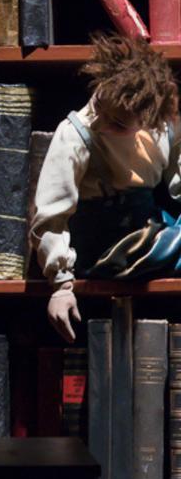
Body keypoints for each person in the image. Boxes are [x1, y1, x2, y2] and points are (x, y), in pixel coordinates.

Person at [31, 33, 181, 343]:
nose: (100, 122)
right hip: (107, 247)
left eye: (118, 124)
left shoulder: (164, 125)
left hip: (149, 230)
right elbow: (50, 217)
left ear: (147, 119)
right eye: (99, 105)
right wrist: (61, 284)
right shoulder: (75, 134)